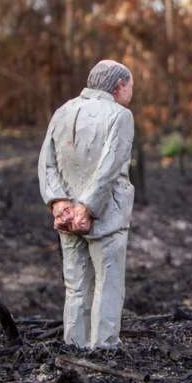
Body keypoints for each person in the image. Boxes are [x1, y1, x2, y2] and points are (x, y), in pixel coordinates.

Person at [38, 60, 136, 349]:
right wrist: (87, 208)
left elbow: (47, 161)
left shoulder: (63, 111)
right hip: (106, 216)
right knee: (108, 284)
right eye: (131, 86)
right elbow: (109, 166)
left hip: (67, 218)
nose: (131, 92)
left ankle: (74, 346)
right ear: (119, 86)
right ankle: (104, 348)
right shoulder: (120, 116)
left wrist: (58, 202)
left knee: (76, 286)